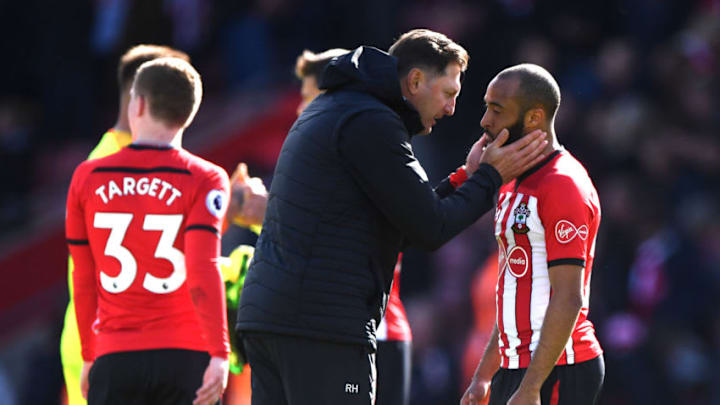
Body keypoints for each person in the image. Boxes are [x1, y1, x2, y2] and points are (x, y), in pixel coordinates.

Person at [236, 28, 548, 405]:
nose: (451, 109)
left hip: (272, 320)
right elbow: (431, 228)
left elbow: (405, 221)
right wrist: (492, 177)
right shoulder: (372, 121)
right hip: (322, 328)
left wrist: (465, 178)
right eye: (449, 93)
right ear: (415, 81)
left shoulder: (342, 107)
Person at [65, 57, 230, 405]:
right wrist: (219, 351)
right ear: (190, 112)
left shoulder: (86, 177)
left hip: (115, 356)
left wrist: (90, 354)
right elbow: (203, 269)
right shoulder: (207, 178)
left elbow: (84, 276)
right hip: (187, 357)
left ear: (136, 104)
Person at [461, 64, 604, 405]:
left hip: (558, 366)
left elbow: (569, 297)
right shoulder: (511, 181)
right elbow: (516, 289)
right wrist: (483, 375)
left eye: (497, 110)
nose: (485, 120)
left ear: (534, 117)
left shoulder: (563, 184)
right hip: (515, 366)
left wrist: (531, 387)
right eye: (486, 106)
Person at [296, 47, 413, 405]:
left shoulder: (363, 157)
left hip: (371, 337)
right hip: (343, 336)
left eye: (307, 98)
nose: (300, 109)